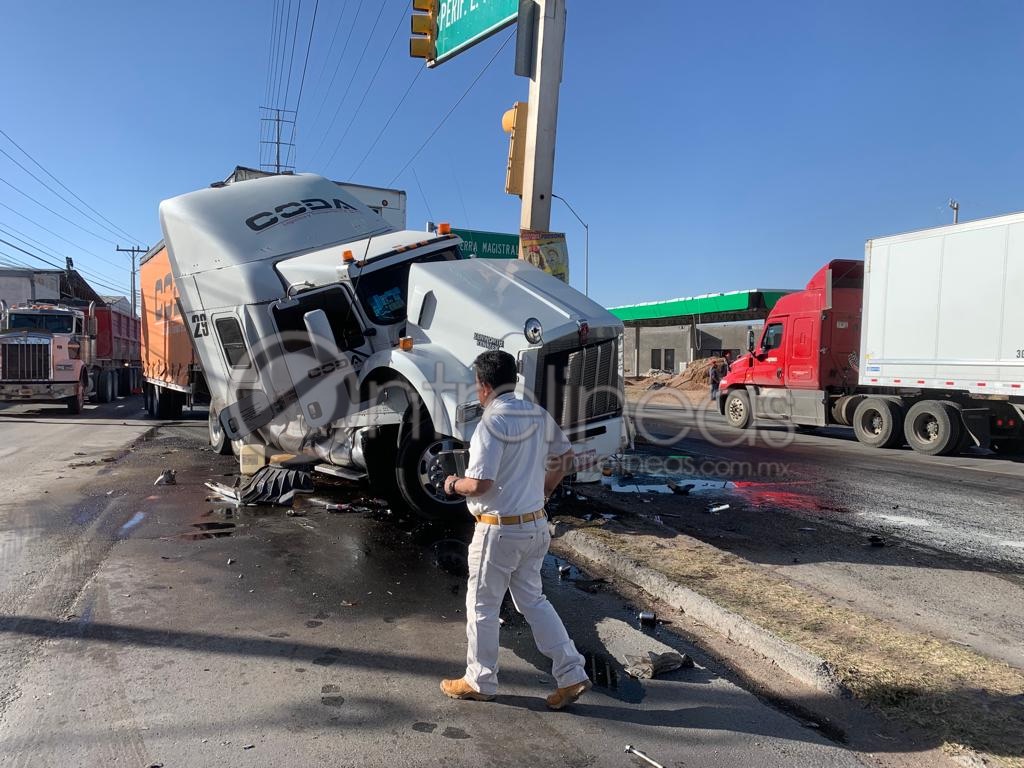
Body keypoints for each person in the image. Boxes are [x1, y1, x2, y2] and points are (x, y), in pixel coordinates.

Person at [439, 350, 591, 709]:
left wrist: (451, 483)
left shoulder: (491, 422)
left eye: (477, 384)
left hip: (499, 530)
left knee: (482, 606)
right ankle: (571, 673)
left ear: (484, 385)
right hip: (535, 525)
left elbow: (480, 484)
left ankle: (480, 680)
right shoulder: (536, 413)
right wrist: (546, 491)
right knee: (533, 600)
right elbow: (566, 458)